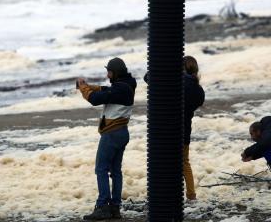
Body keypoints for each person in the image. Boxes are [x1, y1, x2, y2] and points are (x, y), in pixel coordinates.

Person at [77, 57, 136, 220]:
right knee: (115, 171)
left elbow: (95, 99)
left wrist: (84, 88)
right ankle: (115, 208)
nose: (108, 75)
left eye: (109, 72)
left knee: (101, 169)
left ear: (115, 72)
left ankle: (103, 206)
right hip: (122, 133)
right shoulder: (127, 85)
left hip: (112, 134)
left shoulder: (119, 90)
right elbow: (107, 90)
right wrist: (92, 86)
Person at [144, 55, 205, 201]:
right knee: (184, 162)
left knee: (165, 163)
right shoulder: (198, 89)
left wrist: (164, 63)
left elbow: (148, 78)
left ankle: (165, 194)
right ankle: (191, 195)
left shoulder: (174, 82)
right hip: (185, 130)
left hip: (167, 130)